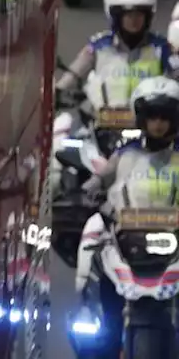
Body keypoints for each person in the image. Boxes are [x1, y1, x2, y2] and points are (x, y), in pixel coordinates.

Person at [73, 77, 179, 353]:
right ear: (142, 118)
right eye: (153, 116)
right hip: (127, 242)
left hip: (174, 241)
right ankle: (90, 314)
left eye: (165, 117)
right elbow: (97, 181)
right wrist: (86, 191)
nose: (158, 123)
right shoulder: (125, 155)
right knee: (93, 236)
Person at [56, 0, 176, 102]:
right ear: (117, 17)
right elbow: (73, 75)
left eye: (139, 15)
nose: (134, 20)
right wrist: (58, 92)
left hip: (150, 119)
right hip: (100, 118)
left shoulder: (162, 48)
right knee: (64, 121)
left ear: (147, 18)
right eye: (129, 15)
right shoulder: (99, 46)